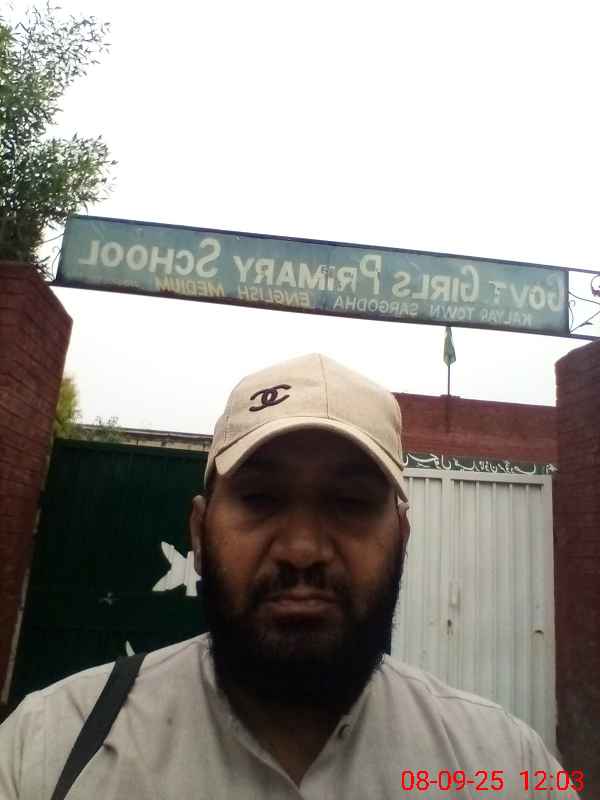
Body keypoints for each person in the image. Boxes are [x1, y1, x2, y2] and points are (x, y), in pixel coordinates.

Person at [0, 353, 581, 799]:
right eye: (261, 499)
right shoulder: (48, 751)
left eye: (350, 503)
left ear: (402, 536)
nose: (302, 551)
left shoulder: (506, 768)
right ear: (199, 532)